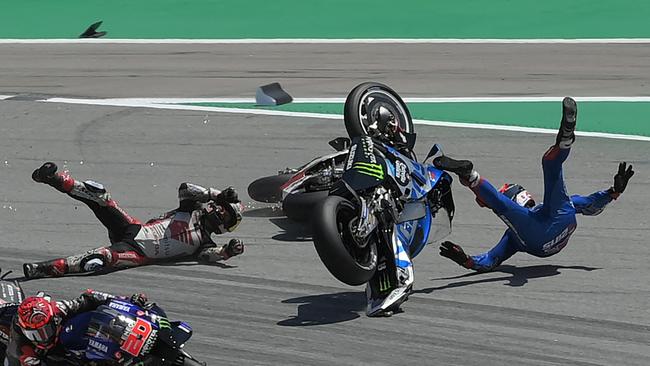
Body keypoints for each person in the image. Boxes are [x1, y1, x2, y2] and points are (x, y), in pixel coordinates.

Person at [433, 97, 635, 272]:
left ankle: (471, 176)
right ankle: (565, 141)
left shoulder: (513, 235)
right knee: (550, 164)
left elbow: (489, 261)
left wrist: (466, 261)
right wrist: (614, 192)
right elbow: (591, 204)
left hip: (538, 237)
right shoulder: (529, 224)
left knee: (500, 204)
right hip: (560, 221)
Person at [23, 162, 245, 279]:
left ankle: (41, 269)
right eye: (220, 206)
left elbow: (213, 255)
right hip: (134, 228)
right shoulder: (191, 207)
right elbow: (186, 187)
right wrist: (217, 194)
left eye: (224, 212)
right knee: (100, 196)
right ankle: (53, 178)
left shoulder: (205, 243)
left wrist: (229, 251)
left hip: (138, 253)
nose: (218, 209)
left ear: (226, 225)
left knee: (100, 259)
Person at [4, 290, 148, 366]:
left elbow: (89, 297)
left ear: (53, 319)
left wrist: (125, 300)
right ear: (25, 330)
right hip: (44, 354)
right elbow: (15, 359)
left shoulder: (59, 309)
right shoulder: (19, 342)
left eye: (45, 330)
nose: (44, 337)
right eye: (36, 334)